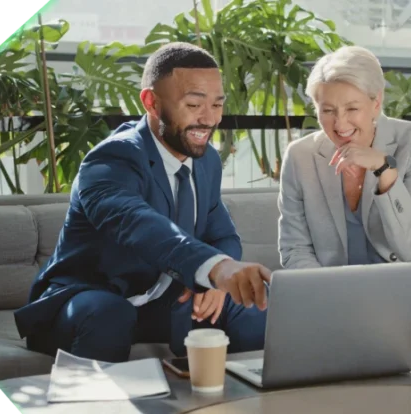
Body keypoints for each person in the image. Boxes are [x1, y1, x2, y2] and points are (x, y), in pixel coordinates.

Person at [14, 42, 271, 363]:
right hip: (90, 299)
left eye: (217, 105)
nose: (209, 119)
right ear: (151, 102)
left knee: (253, 304)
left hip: (162, 302)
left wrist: (218, 283)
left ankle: (248, 401)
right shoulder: (111, 159)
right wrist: (215, 269)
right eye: (194, 105)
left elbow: (223, 236)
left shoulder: (206, 162)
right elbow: (139, 225)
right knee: (109, 314)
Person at [277, 45, 411, 330]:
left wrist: (384, 171)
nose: (340, 123)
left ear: (376, 103)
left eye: (352, 108)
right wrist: (329, 292)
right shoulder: (300, 156)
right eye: (327, 110)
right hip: (338, 285)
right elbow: (294, 249)